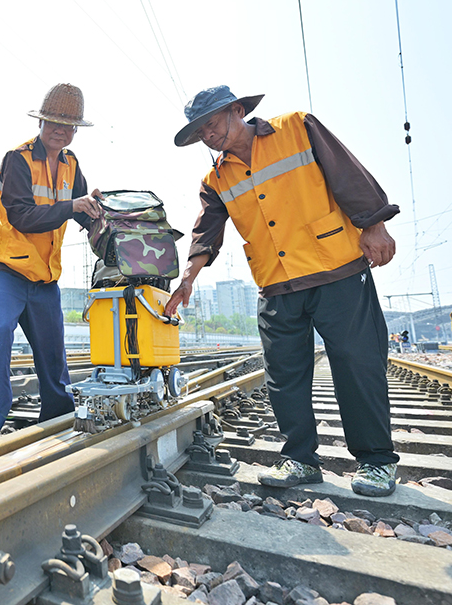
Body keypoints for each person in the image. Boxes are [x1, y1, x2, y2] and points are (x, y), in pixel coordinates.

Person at [165, 85, 400, 496]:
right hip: (275, 283)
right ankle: (300, 461)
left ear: (238, 110)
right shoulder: (216, 178)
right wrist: (188, 276)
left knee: (357, 365)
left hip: (336, 269)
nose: (207, 134)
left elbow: (347, 174)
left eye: (211, 123)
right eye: (199, 131)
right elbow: (206, 233)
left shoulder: (296, 128)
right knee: (284, 377)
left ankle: (376, 462)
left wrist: (374, 224)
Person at [0, 83, 103, 443]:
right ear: (42, 122)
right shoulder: (18, 158)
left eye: (69, 125)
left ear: (76, 130)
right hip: (3, 269)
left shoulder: (72, 165)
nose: (61, 130)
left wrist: (108, 226)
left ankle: (58, 419)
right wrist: (73, 207)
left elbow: (85, 214)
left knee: (51, 348)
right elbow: (22, 216)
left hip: (43, 277)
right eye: (55, 122)